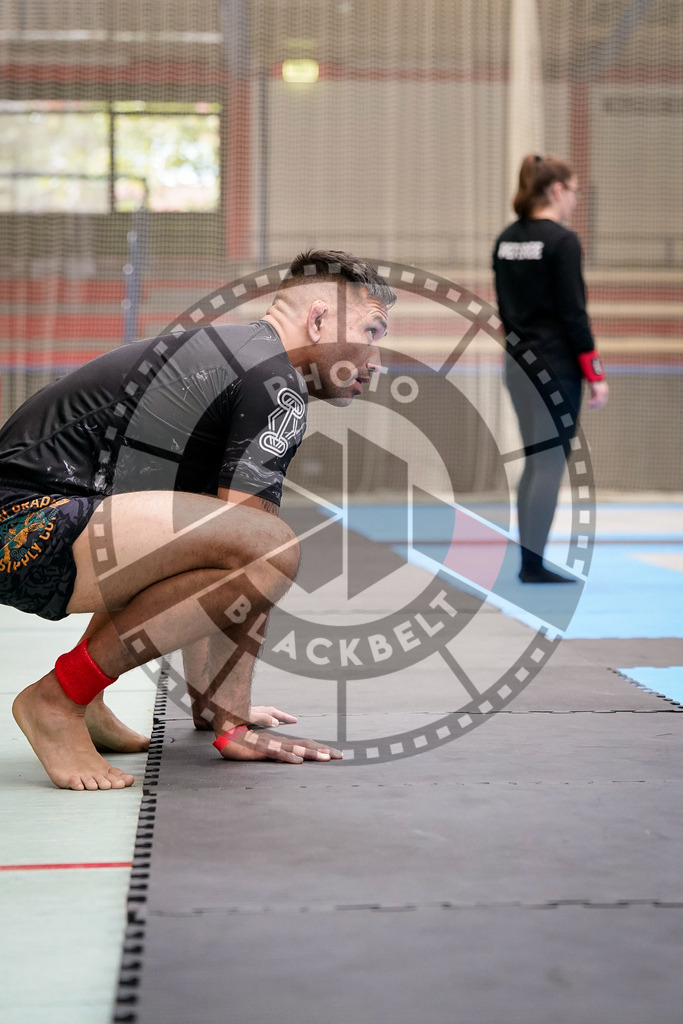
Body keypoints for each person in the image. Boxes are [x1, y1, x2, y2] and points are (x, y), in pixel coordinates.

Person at [3, 249, 395, 790]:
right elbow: (252, 554)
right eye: (372, 331)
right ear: (319, 319)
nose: (377, 358)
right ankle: (57, 698)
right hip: (27, 520)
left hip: (40, 519)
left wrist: (219, 713)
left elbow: (213, 566)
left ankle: (87, 697)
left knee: (237, 540)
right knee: (271, 544)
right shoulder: (273, 381)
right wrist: (230, 720)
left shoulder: (239, 358)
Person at [493, 154, 608, 583]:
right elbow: (574, 316)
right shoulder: (562, 242)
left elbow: (506, 309)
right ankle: (532, 566)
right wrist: (594, 373)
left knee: (534, 461)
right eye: (575, 191)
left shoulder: (505, 240)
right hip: (556, 367)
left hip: (517, 366)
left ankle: (529, 562)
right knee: (549, 464)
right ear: (557, 190)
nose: (575, 201)